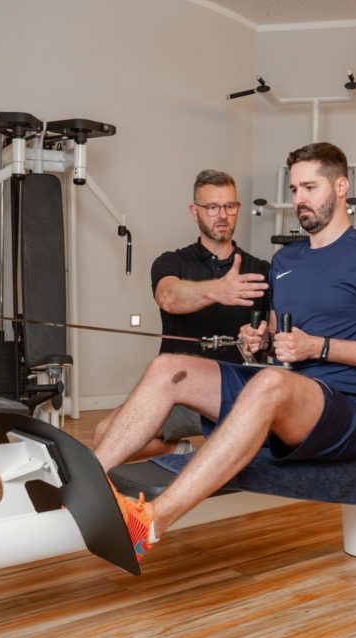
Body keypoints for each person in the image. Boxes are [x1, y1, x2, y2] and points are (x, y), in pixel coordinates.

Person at [94, 142, 356, 562]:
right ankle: (89, 478)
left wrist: (316, 346)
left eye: (310, 187)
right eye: (295, 188)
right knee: (169, 367)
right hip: (285, 392)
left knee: (270, 383)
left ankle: (151, 523)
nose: (300, 199)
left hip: (344, 408)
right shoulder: (285, 260)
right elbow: (280, 338)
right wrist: (259, 340)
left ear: (341, 186)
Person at [92, 170, 270, 459]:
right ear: (194, 211)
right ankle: (181, 450)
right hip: (179, 392)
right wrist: (217, 291)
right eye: (212, 207)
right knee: (103, 433)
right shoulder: (172, 262)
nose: (222, 215)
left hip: (234, 394)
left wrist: (262, 339)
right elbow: (168, 297)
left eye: (229, 206)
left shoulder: (261, 269)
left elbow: (274, 333)